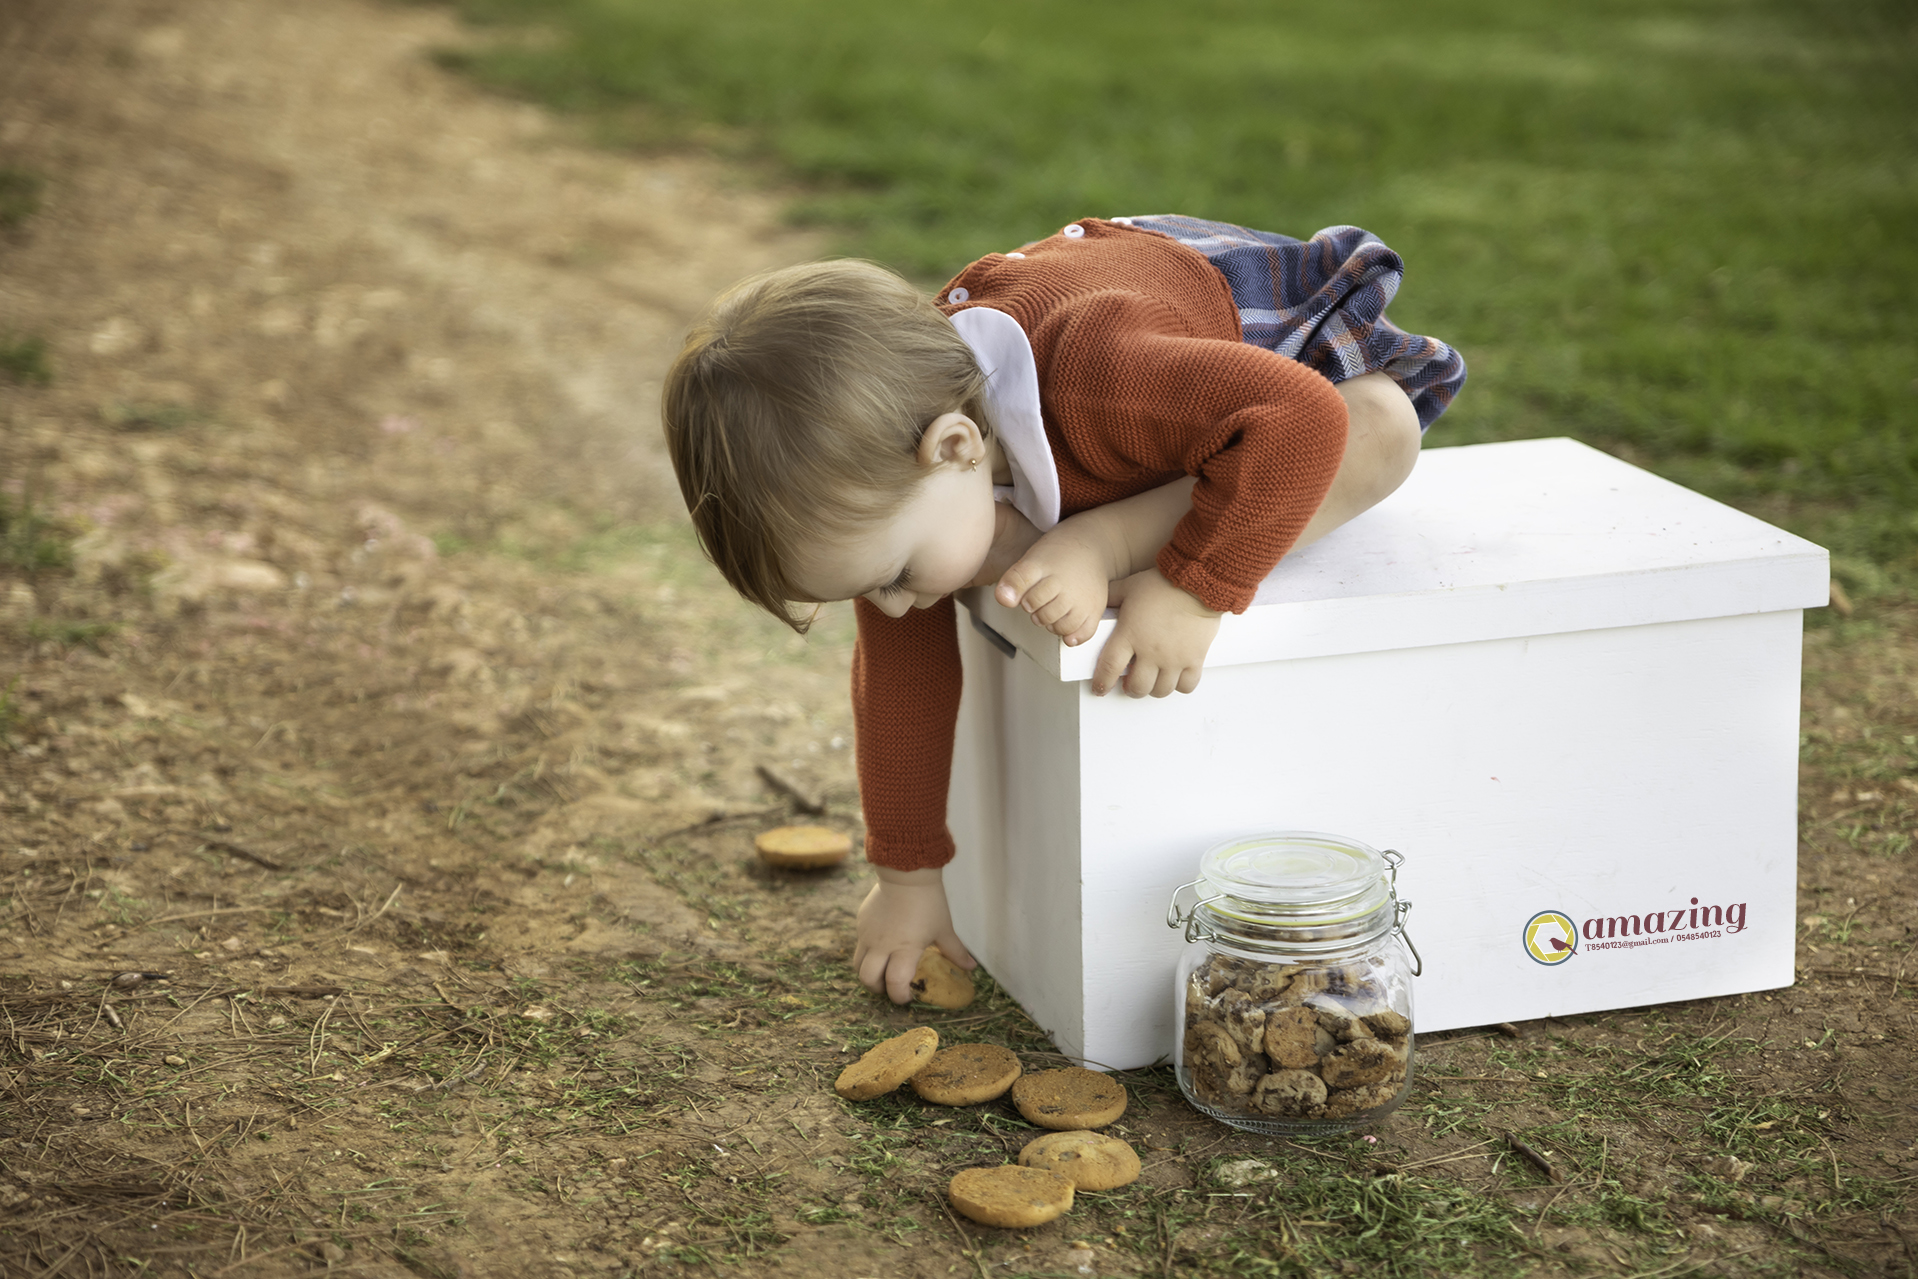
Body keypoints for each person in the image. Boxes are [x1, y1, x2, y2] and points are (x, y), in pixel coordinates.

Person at [661, 215, 1465, 1003]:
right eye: (874, 587)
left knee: (1381, 428)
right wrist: (905, 880)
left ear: (956, 447)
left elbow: (1302, 419)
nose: (895, 602)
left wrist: (1192, 586)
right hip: (1127, 420)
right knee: (972, 555)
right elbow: (902, 691)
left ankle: (1102, 536)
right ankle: (1076, 531)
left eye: (898, 573)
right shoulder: (889, 489)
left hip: (1255, 361)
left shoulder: (1097, 372)